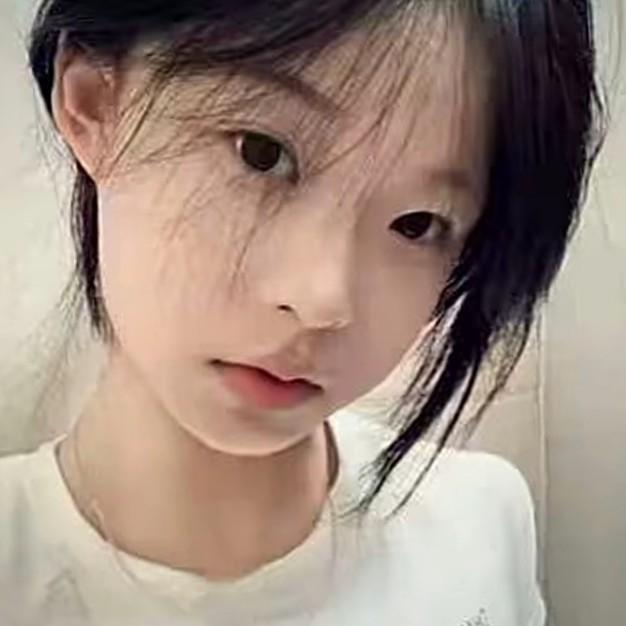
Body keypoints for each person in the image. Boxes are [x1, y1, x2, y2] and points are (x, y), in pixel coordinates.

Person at [0, 1, 603, 624]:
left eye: (417, 224)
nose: (323, 301)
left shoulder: (480, 527)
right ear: (94, 103)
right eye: (261, 154)